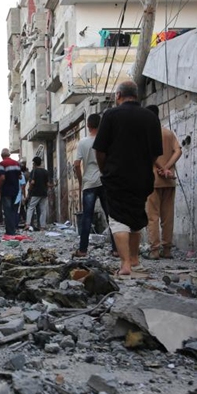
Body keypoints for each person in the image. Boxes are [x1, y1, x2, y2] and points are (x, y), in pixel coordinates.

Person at [93, 81, 163, 275]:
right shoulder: (150, 117)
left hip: (116, 175)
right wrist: (145, 166)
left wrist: (104, 169)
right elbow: (156, 152)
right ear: (136, 96)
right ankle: (134, 259)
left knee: (117, 219)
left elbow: (100, 149)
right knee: (136, 217)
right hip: (141, 177)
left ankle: (124, 264)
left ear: (118, 95)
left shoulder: (111, 115)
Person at [74, 113, 116, 258]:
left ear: (88, 125)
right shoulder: (106, 141)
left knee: (87, 217)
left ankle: (83, 250)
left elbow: (76, 164)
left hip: (89, 183)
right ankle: (116, 249)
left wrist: (81, 181)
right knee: (111, 216)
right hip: (104, 181)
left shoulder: (83, 142)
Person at [145, 105, 182, 259]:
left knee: (153, 217)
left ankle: (154, 251)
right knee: (168, 217)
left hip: (153, 180)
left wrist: (161, 168)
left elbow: (149, 155)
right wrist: (167, 168)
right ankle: (167, 250)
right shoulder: (168, 133)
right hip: (169, 180)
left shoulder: (146, 134)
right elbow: (178, 150)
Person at [0, 149, 22, 236]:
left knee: (7, 211)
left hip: (6, 190)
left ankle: (10, 231)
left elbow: (2, 178)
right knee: (13, 210)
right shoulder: (16, 163)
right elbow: (20, 176)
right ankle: (13, 229)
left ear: (2, 156)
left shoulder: (2, 164)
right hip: (15, 190)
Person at [25, 156, 50, 231]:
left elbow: (32, 182)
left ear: (34, 163)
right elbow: (48, 183)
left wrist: (29, 191)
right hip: (43, 193)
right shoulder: (46, 171)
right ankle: (42, 226)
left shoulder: (34, 171)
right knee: (43, 209)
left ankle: (27, 224)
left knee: (31, 208)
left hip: (35, 193)